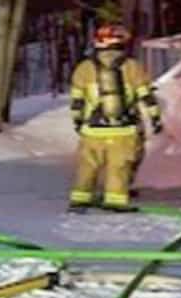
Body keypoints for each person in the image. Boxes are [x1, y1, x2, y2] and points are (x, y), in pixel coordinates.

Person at [67, 23, 163, 213]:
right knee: (119, 167)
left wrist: (78, 122)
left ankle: (80, 200)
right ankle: (115, 201)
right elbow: (147, 97)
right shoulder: (132, 67)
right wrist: (155, 119)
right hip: (124, 131)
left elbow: (77, 101)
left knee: (87, 167)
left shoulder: (84, 68)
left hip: (92, 131)